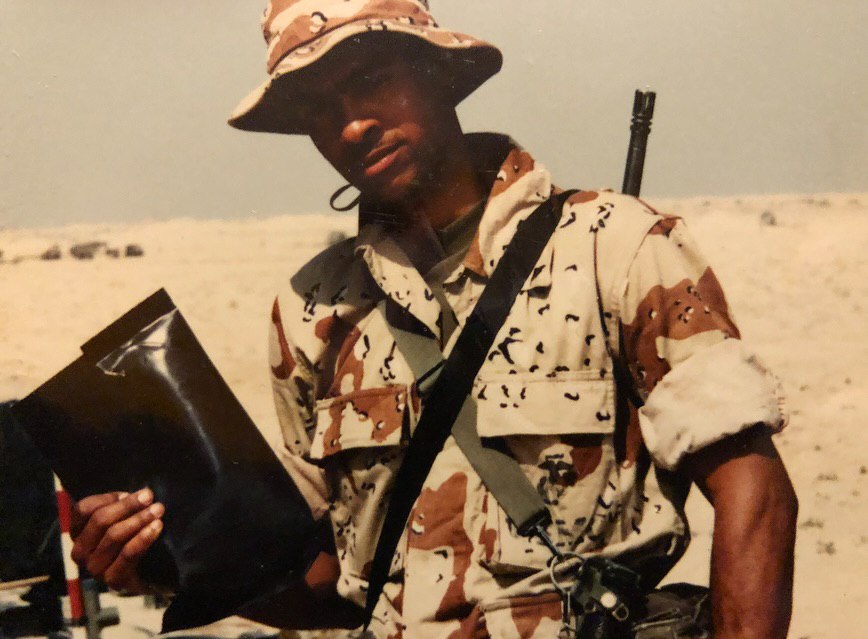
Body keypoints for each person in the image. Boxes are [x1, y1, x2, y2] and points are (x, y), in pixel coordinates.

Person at [70, 1, 798, 637]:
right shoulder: (315, 311)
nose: (351, 124)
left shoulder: (617, 244)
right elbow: (331, 587)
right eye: (319, 108)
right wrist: (167, 562)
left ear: (438, 73)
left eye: (370, 79)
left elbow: (754, 491)